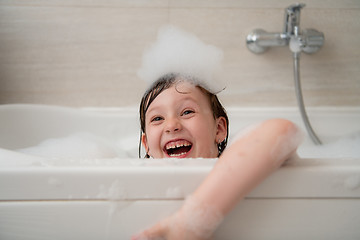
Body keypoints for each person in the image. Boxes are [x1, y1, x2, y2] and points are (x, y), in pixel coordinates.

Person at [131, 73, 303, 240]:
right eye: (158, 118)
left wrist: (192, 223)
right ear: (146, 144)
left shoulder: (239, 164)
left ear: (219, 129)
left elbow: (283, 130)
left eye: (187, 112)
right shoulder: (138, 182)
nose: (171, 125)